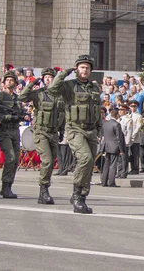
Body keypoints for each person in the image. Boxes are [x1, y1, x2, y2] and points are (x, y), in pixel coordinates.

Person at [48, 55, 102, 214]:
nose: (85, 70)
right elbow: (51, 89)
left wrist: (99, 129)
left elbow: (97, 110)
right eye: (82, 67)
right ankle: (76, 195)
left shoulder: (94, 87)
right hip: (75, 128)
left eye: (87, 67)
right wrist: (64, 73)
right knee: (85, 158)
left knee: (89, 164)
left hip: (91, 130)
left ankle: (82, 197)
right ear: (77, 69)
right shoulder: (68, 86)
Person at [19, 67, 66, 204]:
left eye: (50, 77)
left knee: (51, 163)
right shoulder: (38, 93)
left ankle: (44, 189)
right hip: (41, 132)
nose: (48, 79)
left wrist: (62, 131)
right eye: (45, 77)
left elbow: (62, 114)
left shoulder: (60, 95)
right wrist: (32, 83)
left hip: (53, 133)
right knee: (47, 160)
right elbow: (22, 97)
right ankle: (43, 190)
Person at [0, 71, 25, 198]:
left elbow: (21, 112)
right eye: (7, 80)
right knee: (10, 157)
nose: (9, 82)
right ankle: (5, 186)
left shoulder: (17, 98)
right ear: (4, 83)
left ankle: (8, 186)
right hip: (4, 129)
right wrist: (6, 117)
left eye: (12, 80)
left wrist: (22, 115)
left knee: (16, 159)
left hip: (15, 130)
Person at [100, 109, 125, 187]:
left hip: (106, 145)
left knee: (106, 164)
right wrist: (121, 149)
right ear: (117, 115)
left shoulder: (105, 123)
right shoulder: (117, 124)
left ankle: (104, 182)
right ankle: (111, 182)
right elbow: (119, 138)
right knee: (113, 165)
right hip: (114, 146)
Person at [117, 103, 133, 178]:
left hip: (124, 141)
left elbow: (129, 131)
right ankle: (119, 171)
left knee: (124, 158)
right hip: (117, 142)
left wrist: (127, 142)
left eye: (122, 110)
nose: (120, 111)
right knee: (119, 158)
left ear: (126, 111)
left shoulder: (128, 120)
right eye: (119, 110)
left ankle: (124, 172)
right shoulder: (117, 119)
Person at [128, 100, 142, 174]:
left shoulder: (139, 116)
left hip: (135, 138)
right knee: (130, 154)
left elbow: (138, 127)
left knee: (135, 154)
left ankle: (135, 168)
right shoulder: (128, 115)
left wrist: (132, 135)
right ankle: (132, 167)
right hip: (128, 138)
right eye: (132, 106)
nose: (133, 108)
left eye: (135, 106)